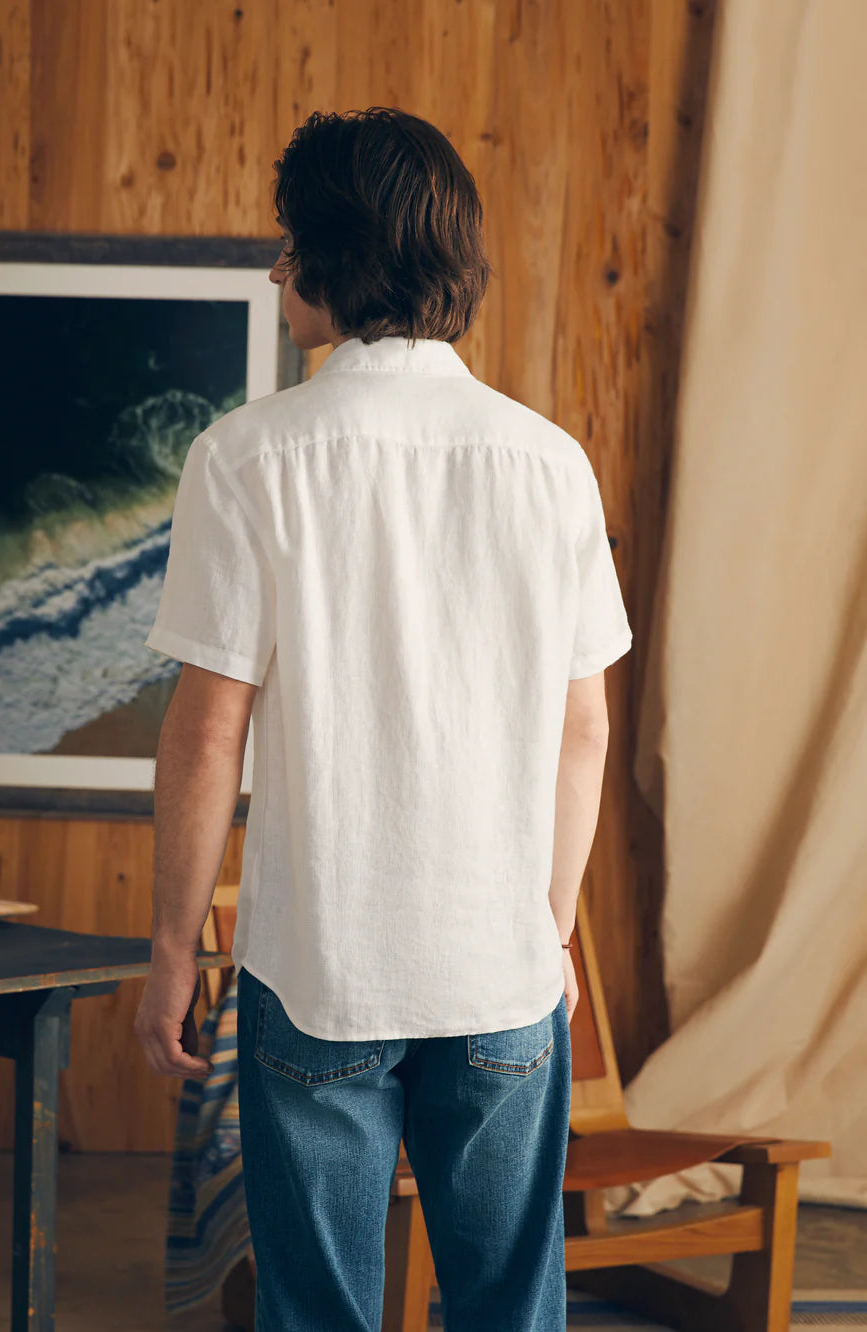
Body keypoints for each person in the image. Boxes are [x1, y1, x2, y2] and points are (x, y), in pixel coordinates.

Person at [135, 106, 632, 1332]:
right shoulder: (548, 462)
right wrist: (549, 928)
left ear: (330, 256)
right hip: (500, 968)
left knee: (318, 1312)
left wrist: (167, 950)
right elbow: (584, 731)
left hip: (319, 972)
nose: (273, 268)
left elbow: (207, 735)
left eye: (287, 241)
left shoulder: (245, 458)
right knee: (509, 1305)